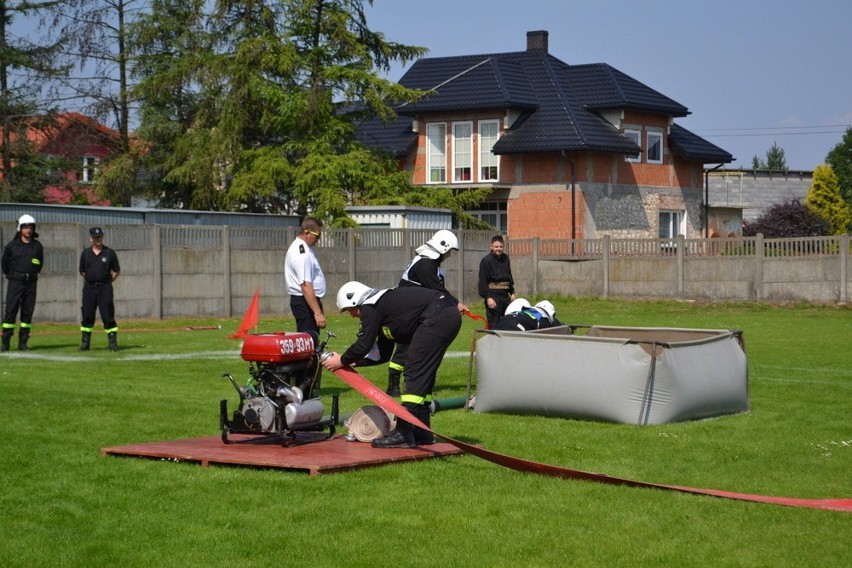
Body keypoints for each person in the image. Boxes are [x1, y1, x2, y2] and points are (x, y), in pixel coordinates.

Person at [322, 281, 462, 448]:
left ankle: (403, 432)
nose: (352, 315)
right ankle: (422, 431)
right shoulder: (383, 308)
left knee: (414, 370)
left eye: (350, 310)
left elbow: (363, 344)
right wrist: (355, 361)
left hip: (438, 316)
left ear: (356, 301)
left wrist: (341, 360)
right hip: (445, 314)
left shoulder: (370, 306)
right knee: (423, 373)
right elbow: (383, 354)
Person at [385, 229, 468, 397]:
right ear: (443, 248)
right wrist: (456, 303)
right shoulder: (426, 264)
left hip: (419, 312)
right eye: (450, 251)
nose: (450, 256)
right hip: (408, 313)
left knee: (413, 348)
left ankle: (412, 385)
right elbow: (436, 288)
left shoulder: (429, 263)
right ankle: (393, 386)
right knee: (405, 348)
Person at [1, 215, 44, 351]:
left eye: (30, 227)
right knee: (11, 311)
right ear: (20, 228)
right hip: (15, 282)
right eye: (25, 227)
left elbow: (39, 263)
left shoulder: (37, 246)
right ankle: (5, 343)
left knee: (27, 313)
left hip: (30, 283)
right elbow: (4, 264)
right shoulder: (12, 246)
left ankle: (23, 343)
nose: (28, 230)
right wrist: (14, 276)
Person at [79, 227, 121, 351]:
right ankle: (85, 343)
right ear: (91, 238)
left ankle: (112, 344)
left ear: (103, 237)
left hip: (105, 288)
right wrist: (93, 279)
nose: (98, 239)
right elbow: (82, 272)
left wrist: (106, 282)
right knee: (87, 315)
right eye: (96, 237)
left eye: (100, 236)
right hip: (89, 289)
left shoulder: (110, 253)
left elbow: (116, 271)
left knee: (108, 315)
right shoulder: (86, 253)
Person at [285, 217, 327, 335]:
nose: (318, 239)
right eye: (317, 235)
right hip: (304, 301)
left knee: (312, 340)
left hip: (307, 301)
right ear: (307, 233)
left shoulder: (306, 249)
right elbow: (305, 285)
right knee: (309, 341)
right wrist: (317, 313)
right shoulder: (301, 253)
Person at [478, 235, 515, 328]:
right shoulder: (486, 261)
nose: (499, 249)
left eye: (501, 246)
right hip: (493, 297)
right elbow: (483, 281)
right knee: (494, 324)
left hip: (505, 296)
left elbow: (509, 277)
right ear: (491, 247)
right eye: (496, 246)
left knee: (507, 323)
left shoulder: (506, 259)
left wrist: (512, 292)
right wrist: (488, 298)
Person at [492, 300, 562, 332]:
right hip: (515, 329)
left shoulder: (527, 310)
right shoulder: (544, 319)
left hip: (500, 323)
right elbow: (561, 327)